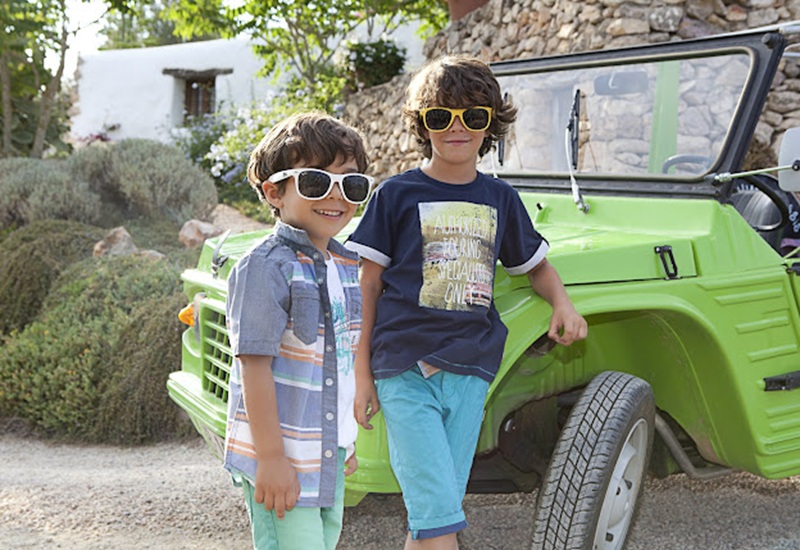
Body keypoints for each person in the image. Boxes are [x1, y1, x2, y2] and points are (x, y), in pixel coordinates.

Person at [345, 55, 588, 550]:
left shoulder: (501, 199)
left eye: (472, 116)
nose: (457, 128)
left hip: (471, 371)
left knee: (437, 511)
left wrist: (563, 304)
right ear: (422, 125)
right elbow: (366, 285)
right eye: (441, 116)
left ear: (490, 124)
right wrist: (361, 371)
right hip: (403, 367)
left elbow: (536, 267)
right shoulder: (395, 195)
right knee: (438, 515)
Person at [223, 111, 373, 550]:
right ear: (275, 191)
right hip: (281, 459)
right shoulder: (265, 267)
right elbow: (253, 368)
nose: (335, 195)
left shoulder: (345, 266)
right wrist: (271, 459)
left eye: (350, 183)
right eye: (315, 181)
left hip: (324, 454)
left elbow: (336, 364)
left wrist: (341, 442)